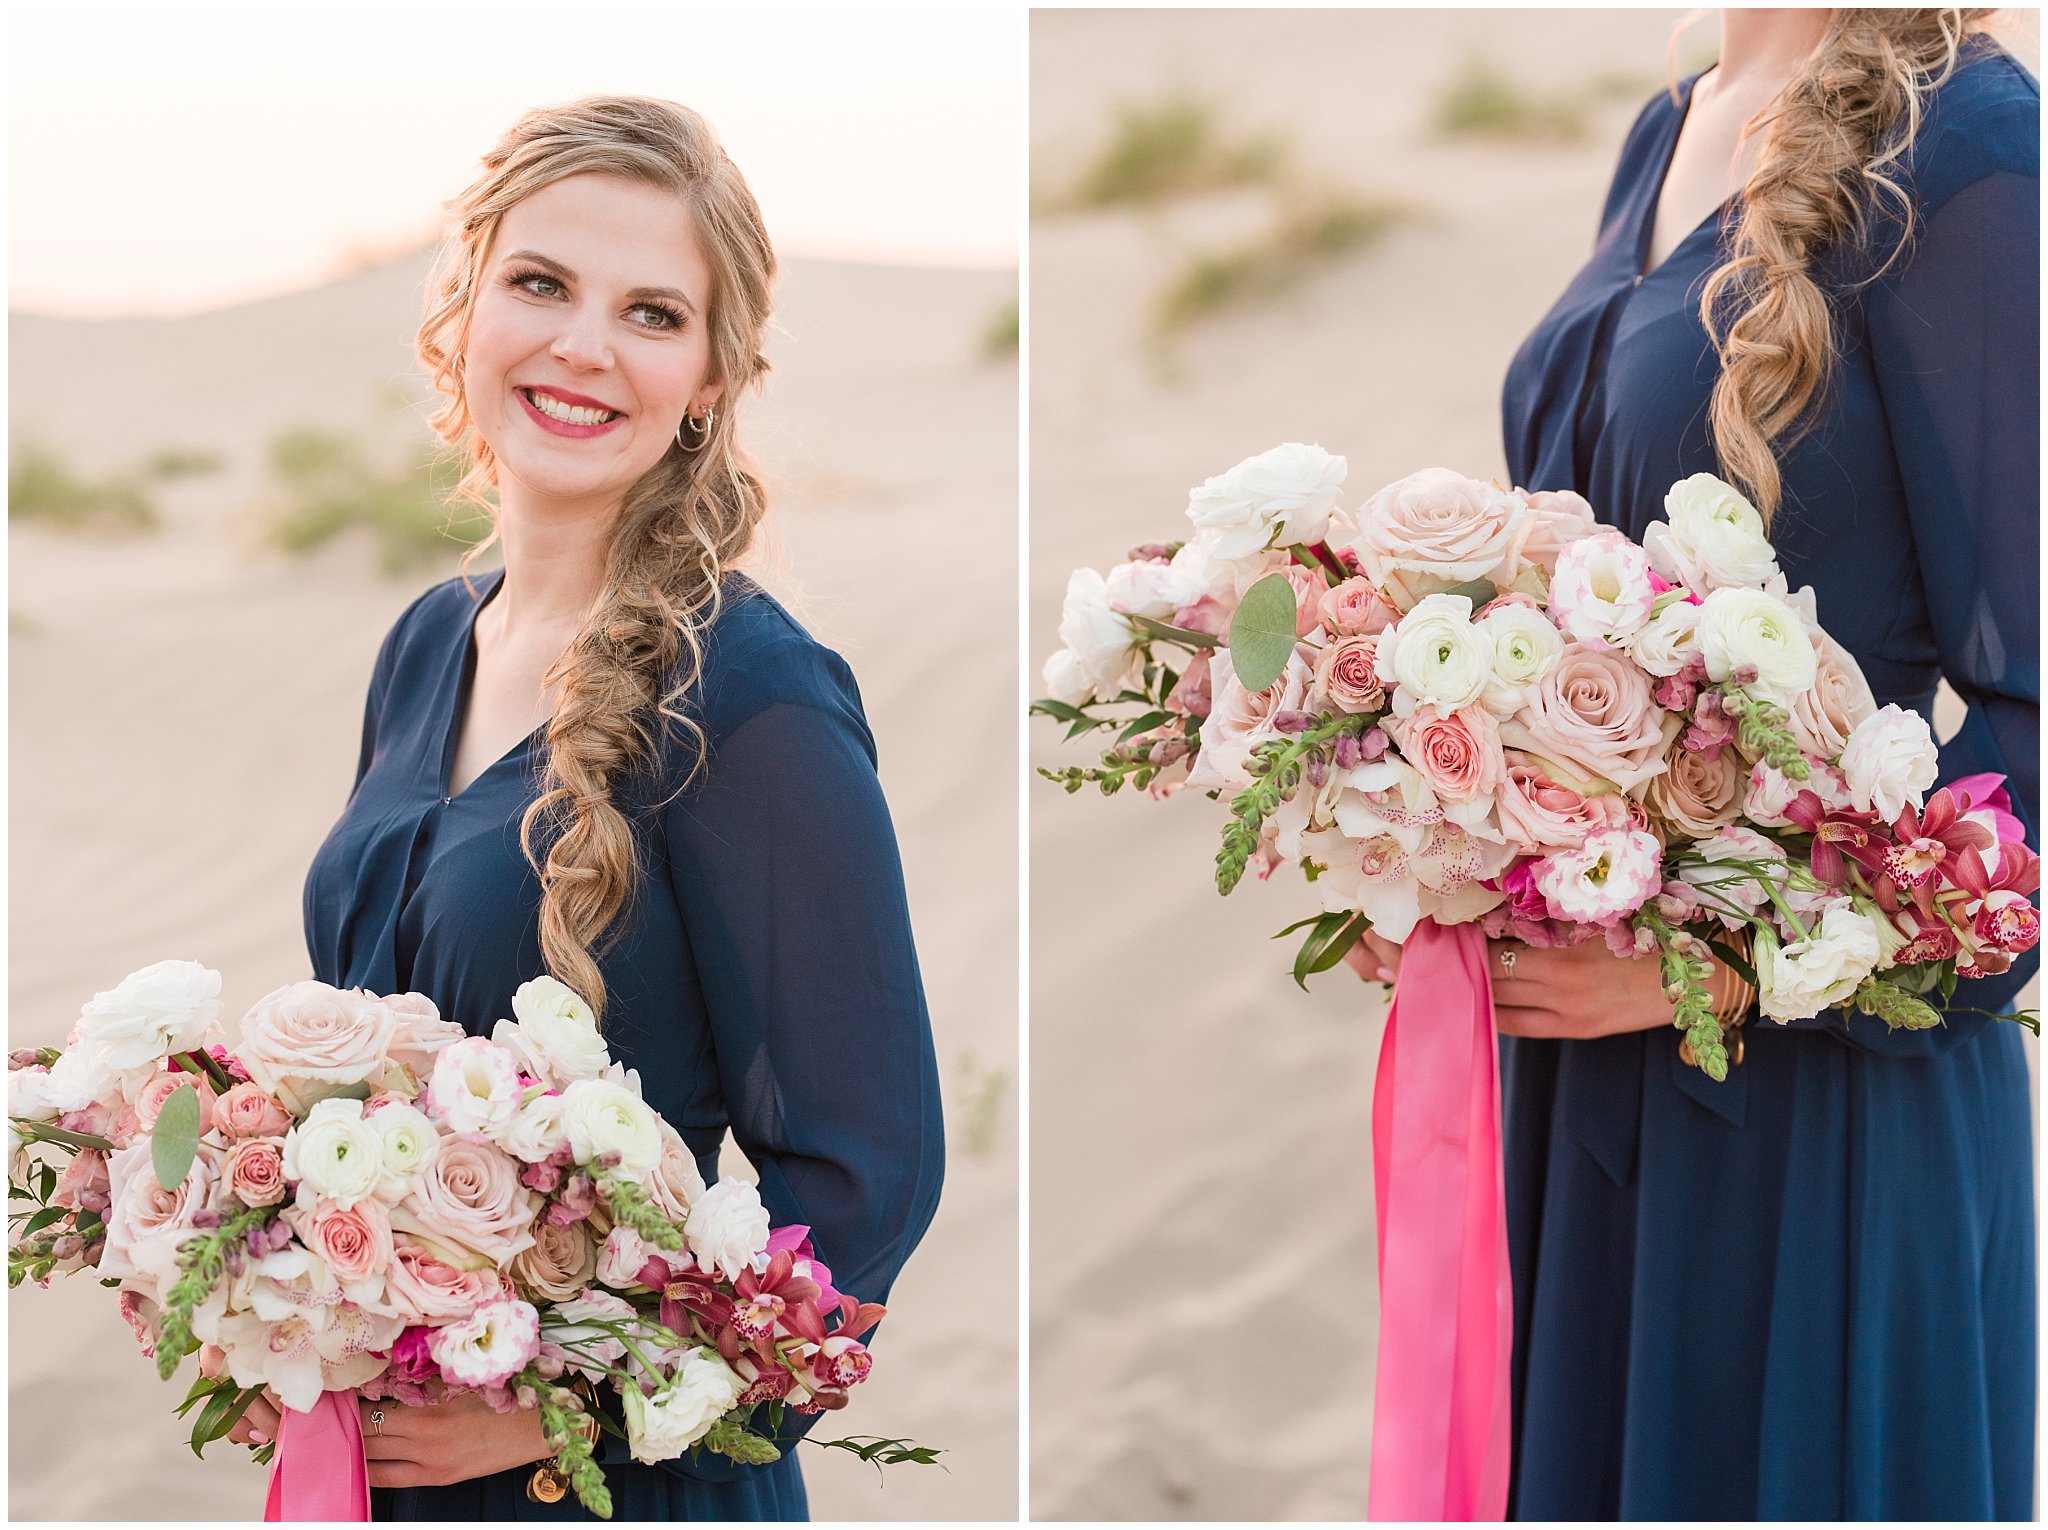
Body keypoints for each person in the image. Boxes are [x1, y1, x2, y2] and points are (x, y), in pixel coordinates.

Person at [1351, 8, 2036, 1518]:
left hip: (1807, 1120)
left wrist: (1719, 966)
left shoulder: (1971, 144)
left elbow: (2030, 708)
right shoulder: (1673, 122)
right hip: (1582, 1103)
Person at [264, 95, 942, 1520]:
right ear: (463, 308)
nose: (582, 346)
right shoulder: (428, 643)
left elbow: (867, 1182)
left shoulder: (751, 698)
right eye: (540, 283)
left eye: (650, 311)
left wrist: (564, 1407)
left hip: (612, 1481)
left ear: (709, 375)